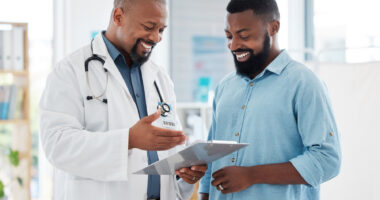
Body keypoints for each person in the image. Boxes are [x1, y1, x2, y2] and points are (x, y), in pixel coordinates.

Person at [39, 0, 206, 199]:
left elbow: (170, 145)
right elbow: (57, 145)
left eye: (161, 29)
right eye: (149, 27)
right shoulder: (70, 71)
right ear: (118, 17)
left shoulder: (160, 78)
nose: (156, 37)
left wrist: (184, 171)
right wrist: (129, 139)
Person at [198, 0, 341, 199]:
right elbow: (211, 154)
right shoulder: (225, 86)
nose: (234, 45)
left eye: (244, 35)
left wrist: (252, 175)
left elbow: (327, 160)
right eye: (229, 36)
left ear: (274, 27)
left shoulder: (304, 83)